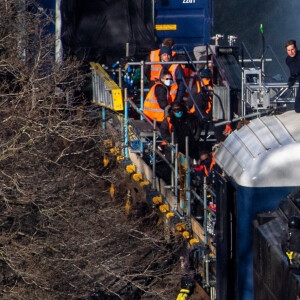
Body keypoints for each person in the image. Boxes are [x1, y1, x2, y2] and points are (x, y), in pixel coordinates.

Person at [285, 40, 300, 113]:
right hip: (297, 77)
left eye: (292, 49)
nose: (291, 52)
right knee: (297, 108)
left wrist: (294, 75)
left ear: (296, 48)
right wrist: (292, 78)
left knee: (298, 107)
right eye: (288, 50)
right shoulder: (288, 60)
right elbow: (293, 70)